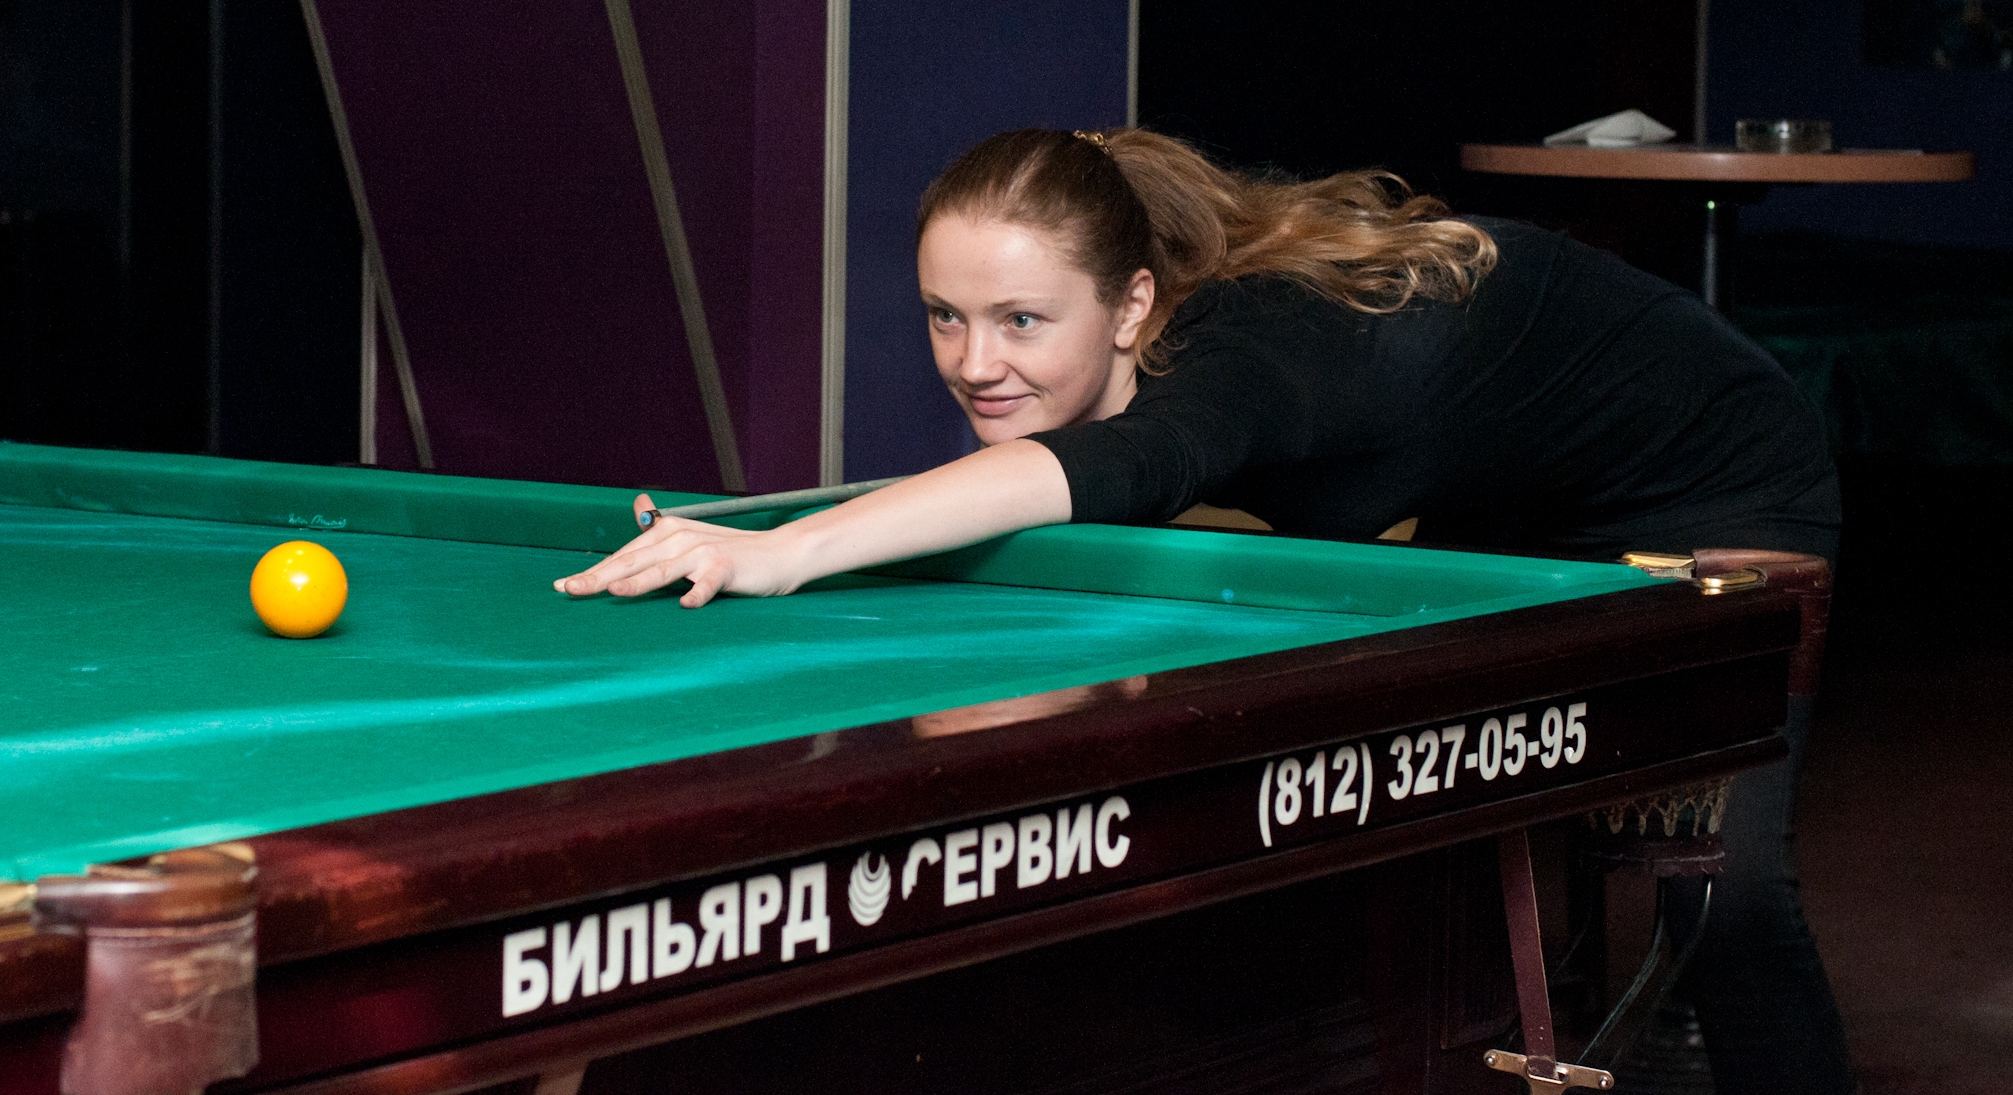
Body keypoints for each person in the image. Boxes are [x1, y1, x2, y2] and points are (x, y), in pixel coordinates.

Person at [556, 125, 1854, 1095]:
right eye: (947, 317)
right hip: (1519, 498)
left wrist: (786, 550)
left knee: (1727, 897)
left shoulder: (1249, 350)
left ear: (1134, 299)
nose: (976, 361)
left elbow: (1121, 465)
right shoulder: (1196, 349)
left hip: (1720, 474)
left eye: (1023, 319)